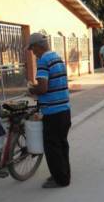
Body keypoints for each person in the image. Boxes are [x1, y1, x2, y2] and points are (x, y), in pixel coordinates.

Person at [27, 33, 71, 189]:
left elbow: (43, 88)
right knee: (62, 144)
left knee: (52, 147)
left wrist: (32, 90)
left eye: (32, 49)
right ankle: (64, 175)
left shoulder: (43, 60)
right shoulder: (56, 57)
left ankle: (60, 180)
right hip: (65, 110)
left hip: (52, 112)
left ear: (38, 46)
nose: (33, 53)